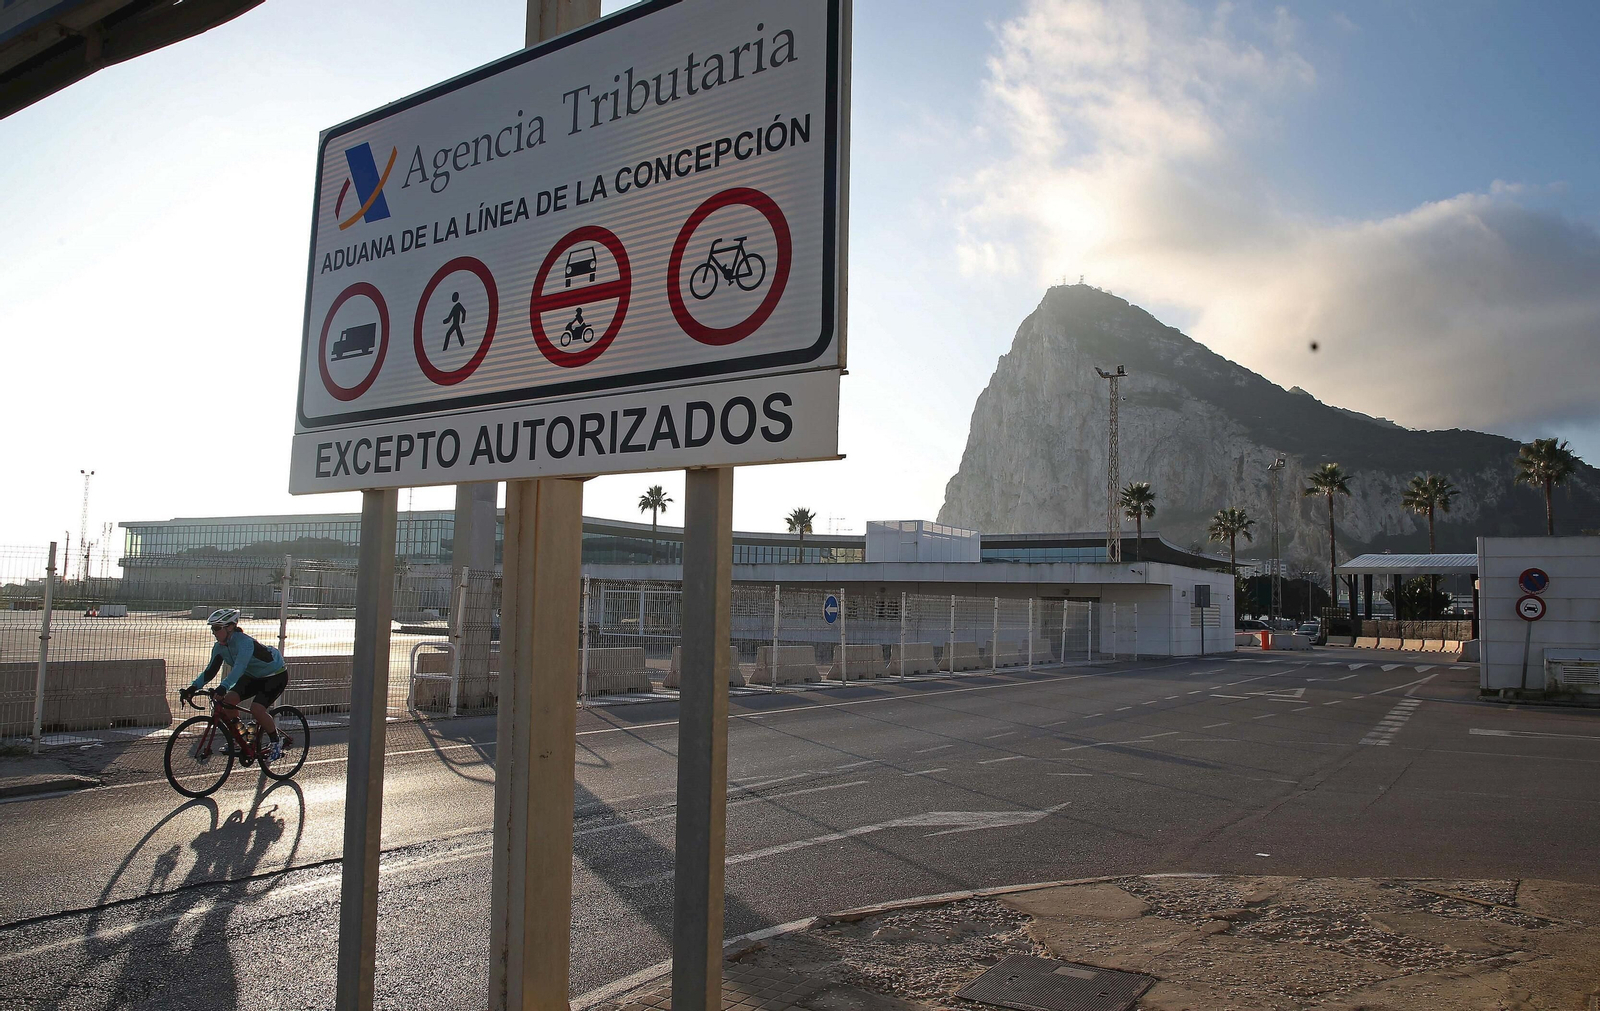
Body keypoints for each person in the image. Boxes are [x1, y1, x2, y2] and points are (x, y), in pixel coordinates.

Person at [181, 608, 289, 761]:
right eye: (212, 628)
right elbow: (210, 671)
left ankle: (276, 743)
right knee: (227, 702)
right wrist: (192, 688)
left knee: (257, 709)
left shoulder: (244, 643)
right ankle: (242, 737)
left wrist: (223, 686)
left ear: (230, 627)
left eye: (217, 628)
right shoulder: (220, 647)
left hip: (275, 674)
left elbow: (239, 668)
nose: (213, 632)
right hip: (253, 676)